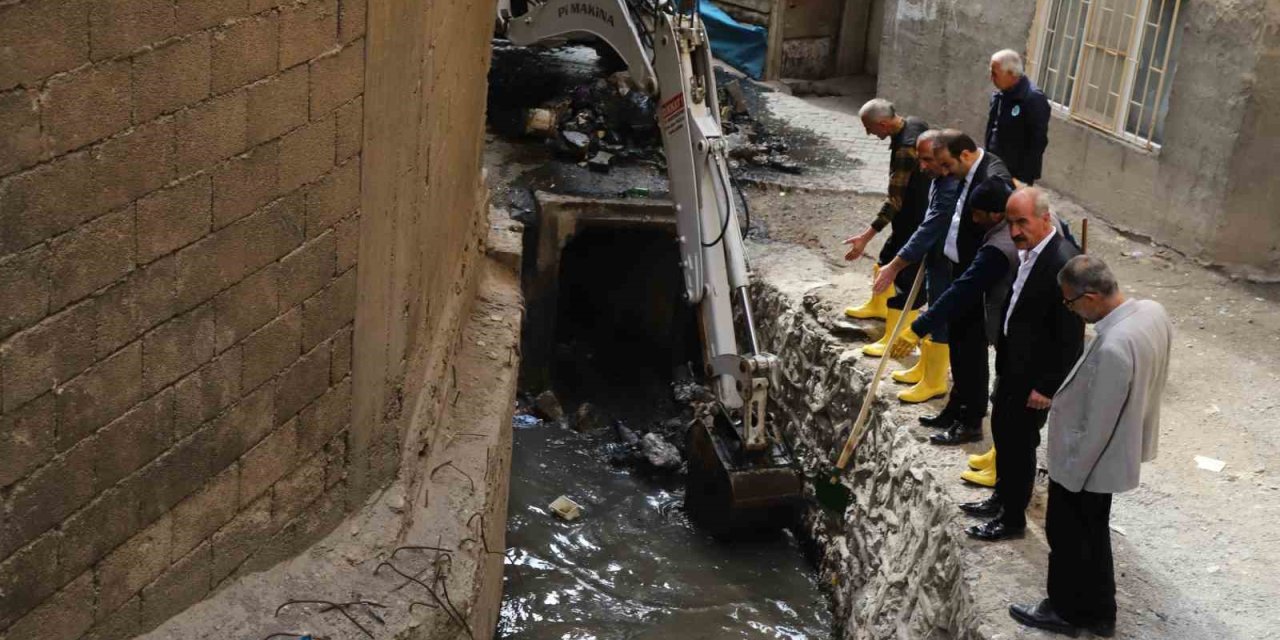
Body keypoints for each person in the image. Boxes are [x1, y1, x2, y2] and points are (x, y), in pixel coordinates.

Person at [1010, 255, 1172, 637]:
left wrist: (1068, 475)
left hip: (1090, 464)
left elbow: (1097, 425)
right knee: (1094, 536)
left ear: (1093, 296)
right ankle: (1100, 612)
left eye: (1071, 303)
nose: (1071, 311)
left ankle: (1065, 610)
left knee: (1067, 536)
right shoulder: (1152, 312)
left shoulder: (1114, 347)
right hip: (1116, 450)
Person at [966, 187, 1083, 542]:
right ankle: (1002, 499)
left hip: (1033, 377)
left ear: (1045, 219)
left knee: (1019, 445)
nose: (1015, 231)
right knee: (1003, 432)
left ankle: (1012, 518)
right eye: (1011, 222)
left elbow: (1070, 337)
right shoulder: (1033, 251)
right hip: (1012, 366)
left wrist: (1047, 387)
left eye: (1023, 222)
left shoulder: (1062, 261)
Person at [916, 130, 1013, 446]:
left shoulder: (992, 176)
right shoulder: (967, 172)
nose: (944, 173)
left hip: (977, 276)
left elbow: (1002, 203)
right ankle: (956, 408)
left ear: (966, 155)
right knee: (958, 347)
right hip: (959, 265)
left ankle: (971, 421)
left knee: (970, 351)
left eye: (947, 165)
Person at [870, 129, 960, 402]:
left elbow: (932, 225)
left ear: (943, 157)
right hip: (935, 254)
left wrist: (895, 265)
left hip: (948, 257)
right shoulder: (938, 178)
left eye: (926, 160)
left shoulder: (952, 184)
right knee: (933, 303)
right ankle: (925, 368)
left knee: (939, 314)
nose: (921, 166)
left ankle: (935, 380)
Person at [842, 99, 931, 359]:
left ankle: (895, 340)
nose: (870, 134)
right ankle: (878, 306)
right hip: (908, 218)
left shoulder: (905, 150)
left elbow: (894, 201)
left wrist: (865, 237)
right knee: (886, 257)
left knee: (905, 278)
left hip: (916, 218)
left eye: (870, 129)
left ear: (883, 123)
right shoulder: (915, 123)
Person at [985, 49, 1051, 186]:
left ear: (1011, 74)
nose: (991, 78)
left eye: (995, 74)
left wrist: (1022, 178)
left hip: (1016, 173)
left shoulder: (1032, 98)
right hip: (994, 165)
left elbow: (1038, 141)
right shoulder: (1000, 94)